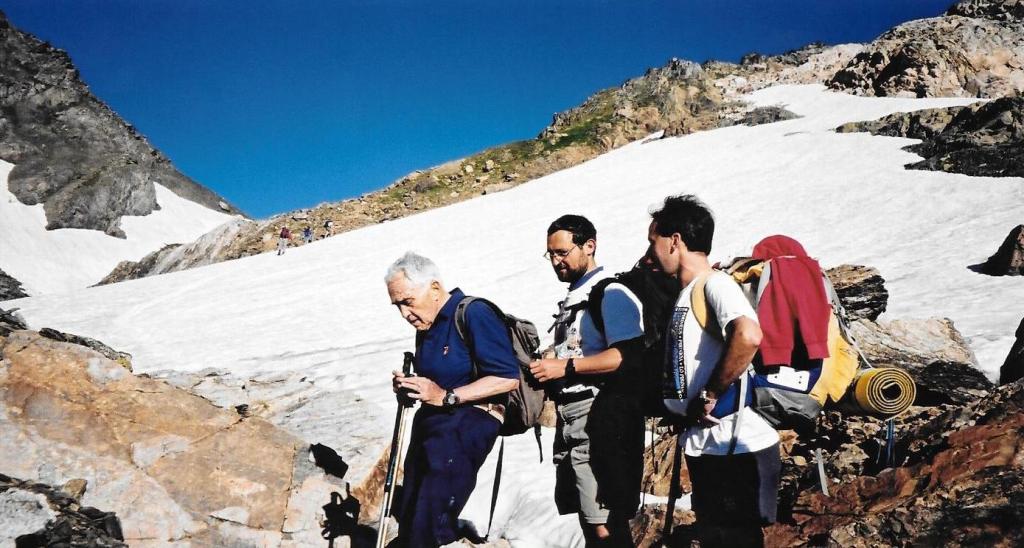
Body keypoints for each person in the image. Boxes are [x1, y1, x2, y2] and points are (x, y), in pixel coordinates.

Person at [646, 194, 780, 547]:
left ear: (674, 241)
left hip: (734, 445)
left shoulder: (715, 284)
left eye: (653, 241)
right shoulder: (691, 290)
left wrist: (709, 394)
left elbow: (748, 335)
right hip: (714, 445)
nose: (650, 252)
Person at [385, 251, 519, 548]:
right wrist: (410, 387)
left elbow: (507, 377)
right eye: (397, 306)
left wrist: (446, 397)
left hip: (466, 426)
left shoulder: (473, 312)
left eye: (408, 301)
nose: (404, 314)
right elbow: (436, 382)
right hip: (431, 427)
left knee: (429, 523)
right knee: (411, 515)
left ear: (434, 288)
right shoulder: (427, 326)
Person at [529, 215, 643, 547]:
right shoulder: (577, 295)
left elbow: (625, 356)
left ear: (589, 246)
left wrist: (564, 368)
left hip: (598, 416)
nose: (556, 261)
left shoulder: (610, 292)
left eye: (562, 252)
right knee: (589, 519)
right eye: (551, 254)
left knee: (604, 524)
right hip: (572, 418)